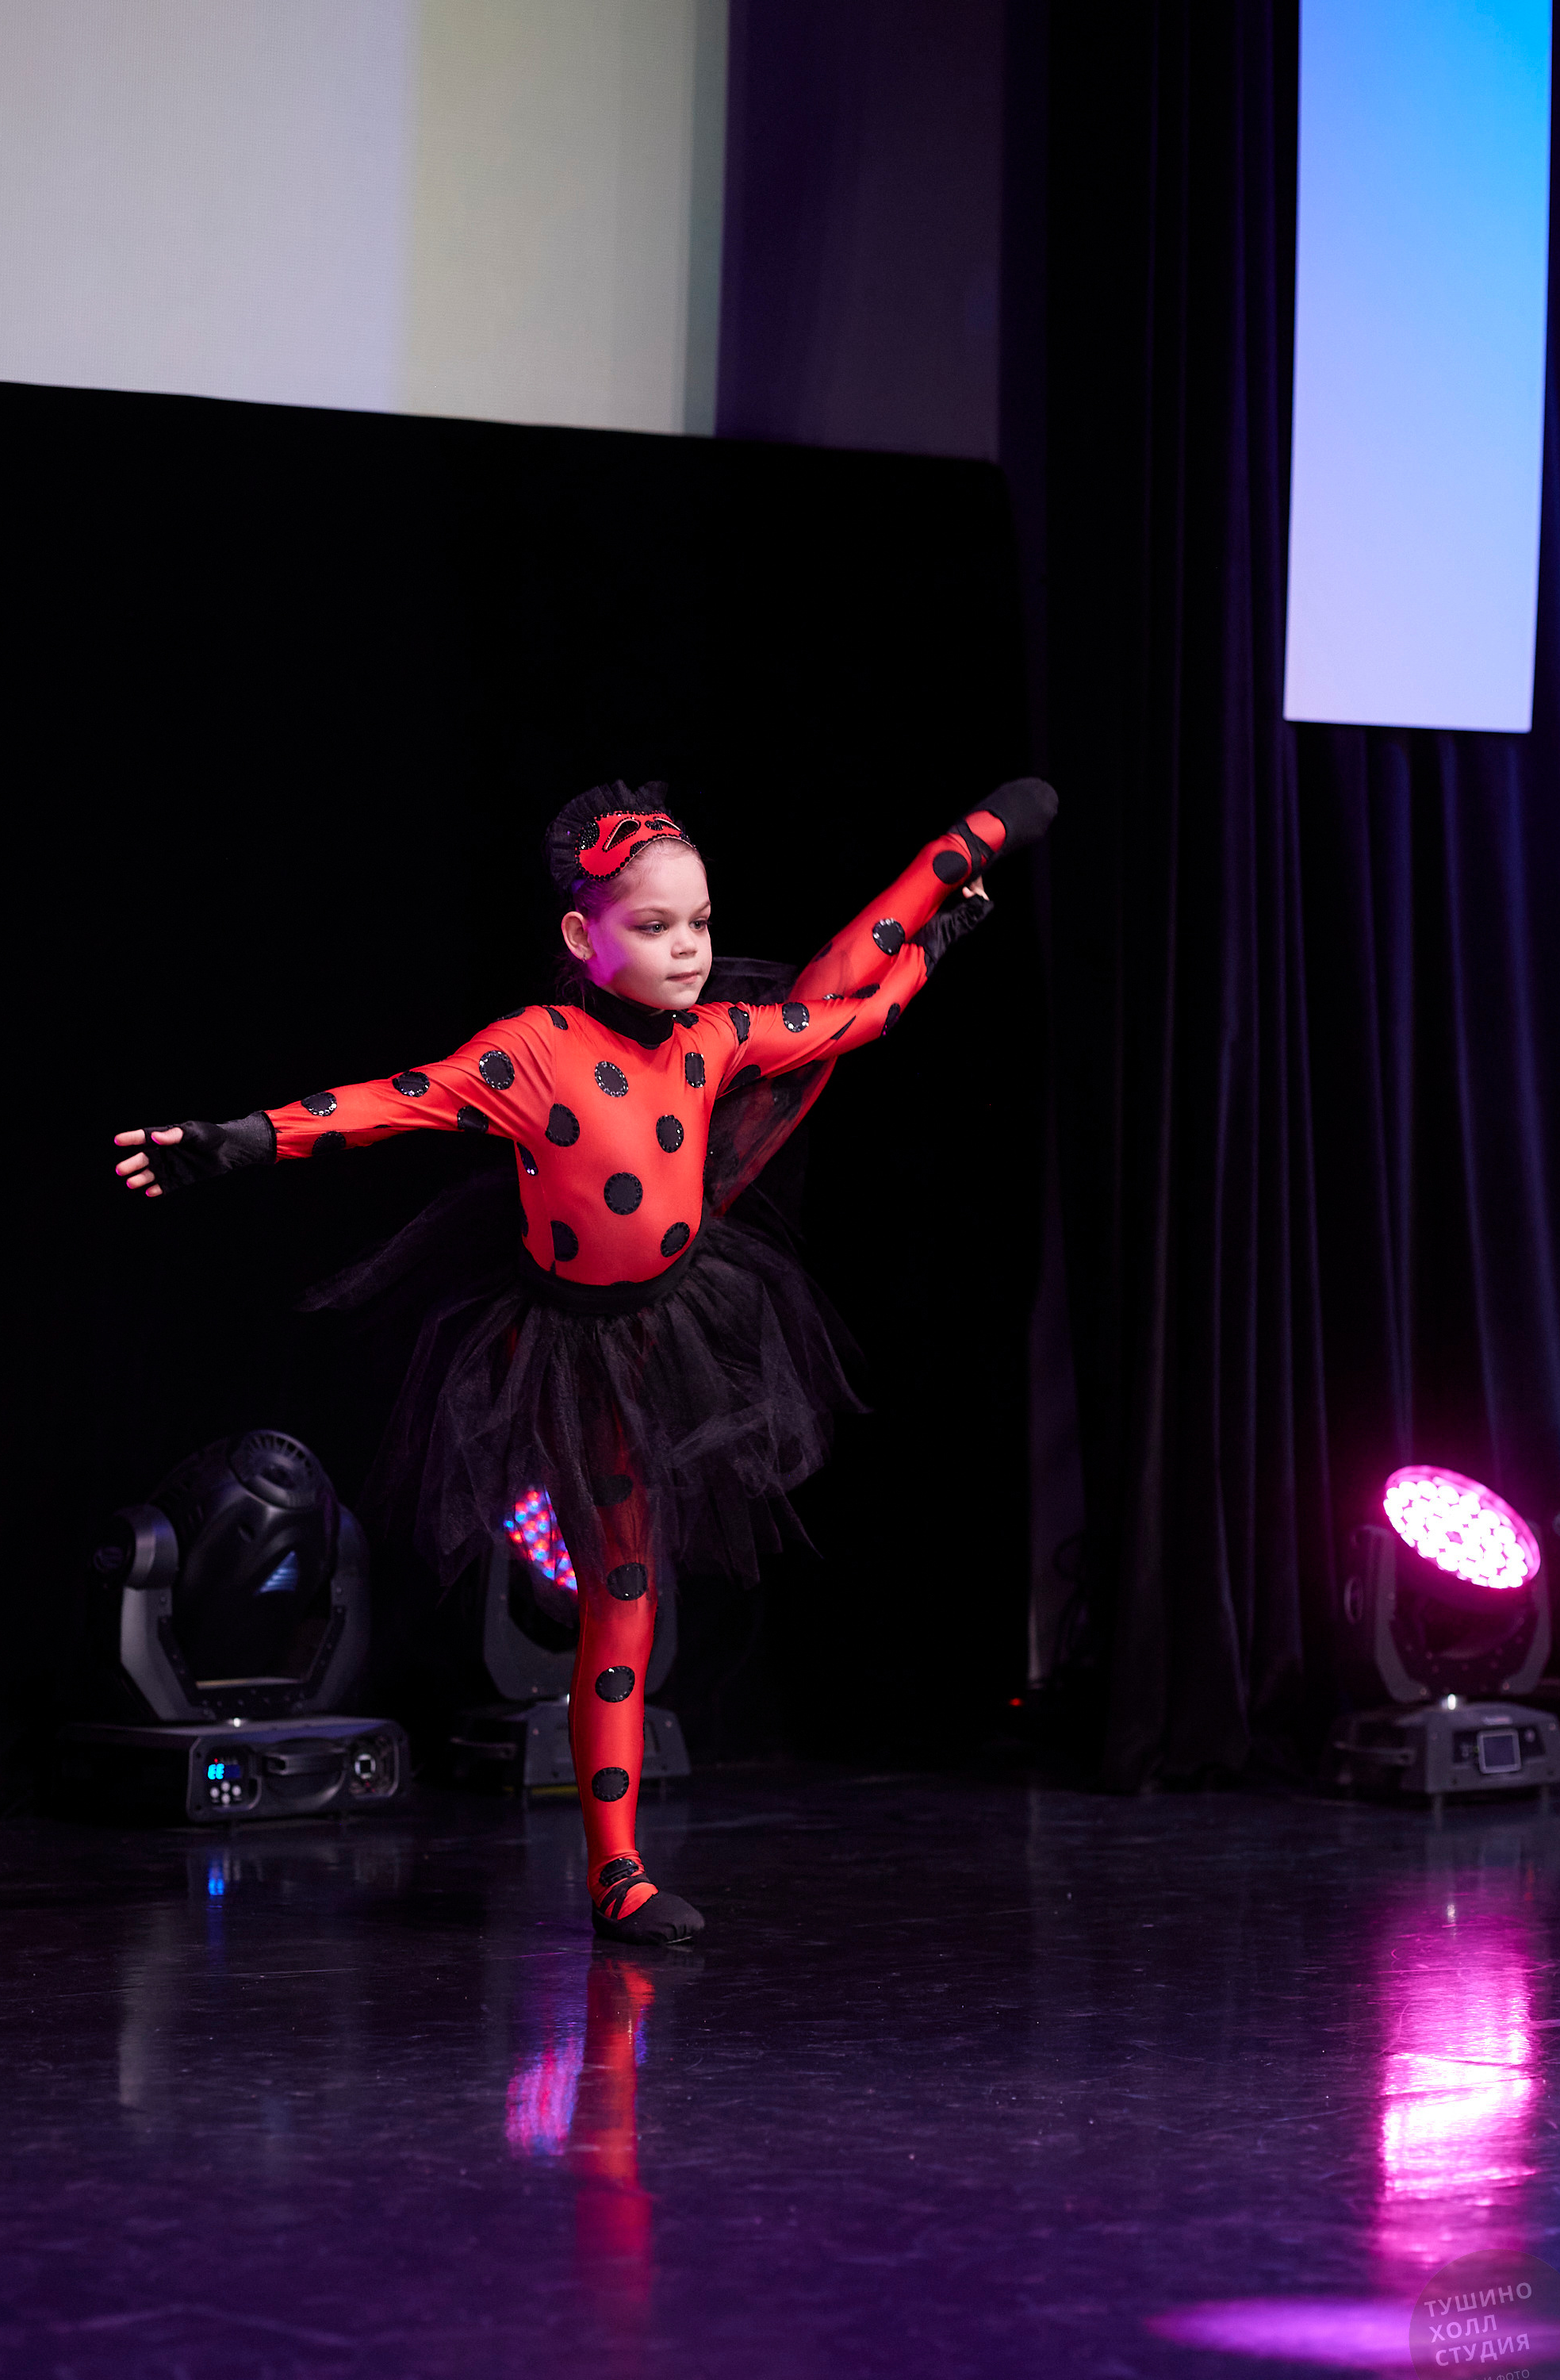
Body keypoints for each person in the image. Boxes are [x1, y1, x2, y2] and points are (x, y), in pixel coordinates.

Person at [114, 776, 1057, 1943]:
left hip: (682, 1287)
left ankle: (946, 857)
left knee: (809, 1027)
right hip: (576, 1346)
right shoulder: (533, 1055)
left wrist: (923, 955)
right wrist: (240, 1141)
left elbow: (849, 1024)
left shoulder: (713, 1035)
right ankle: (618, 1868)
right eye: (655, 926)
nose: (691, 949)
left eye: (702, 923)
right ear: (582, 936)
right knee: (618, 1593)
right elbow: (387, 1105)